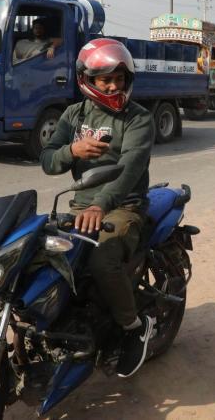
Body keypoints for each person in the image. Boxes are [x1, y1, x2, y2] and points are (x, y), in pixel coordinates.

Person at [40, 37, 156, 378]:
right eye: (105, 79)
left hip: (123, 206)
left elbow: (131, 167)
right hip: (78, 203)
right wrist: (71, 152)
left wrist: (102, 206)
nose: (113, 86)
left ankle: (133, 325)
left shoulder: (138, 118)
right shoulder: (73, 115)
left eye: (119, 79)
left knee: (102, 259)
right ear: (86, 80)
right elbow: (47, 160)